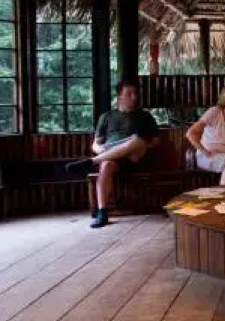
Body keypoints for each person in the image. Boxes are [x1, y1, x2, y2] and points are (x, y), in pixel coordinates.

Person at [66, 79, 160, 228]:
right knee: (106, 165)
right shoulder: (106, 117)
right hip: (112, 156)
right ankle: (102, 212)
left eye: (135, 93)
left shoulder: (145, 116)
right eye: (129, 93)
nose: (134, 97)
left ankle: (91, 162)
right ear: (119, 96)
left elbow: (155, 141)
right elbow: (95, 144)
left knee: (136, 139)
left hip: (136, 157)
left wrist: (140, 146)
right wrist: (100, 150)